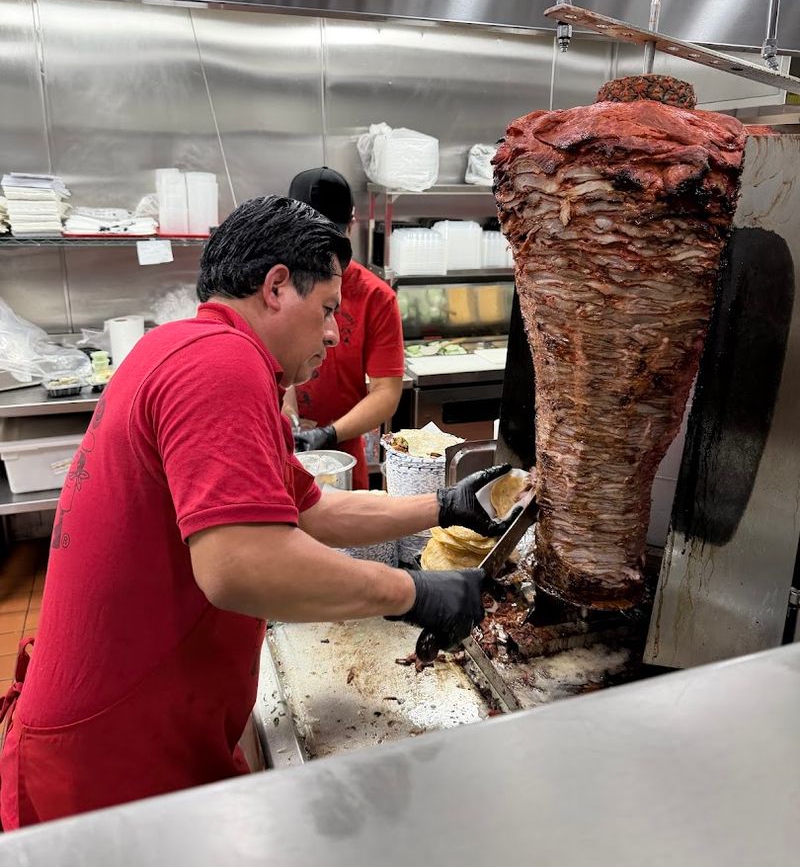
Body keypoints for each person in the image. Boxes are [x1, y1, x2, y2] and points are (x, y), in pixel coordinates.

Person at [0, 195, 513, 830]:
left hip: (138, 727)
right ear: (275, 287)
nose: (333, 333)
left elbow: (311, 509)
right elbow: (242, 564)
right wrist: (413, 593)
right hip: (113, 759)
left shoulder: (191, 349)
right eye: (327, 309)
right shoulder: (220, 363)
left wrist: (443, 507)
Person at [285, 166, 404, 489]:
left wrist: (329, 434)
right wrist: (289, 416)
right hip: (280, 445)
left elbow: (386, 392)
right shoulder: (278, 281)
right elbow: (269, 360)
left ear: (351, 224)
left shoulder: (376, 297)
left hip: (341, 454)